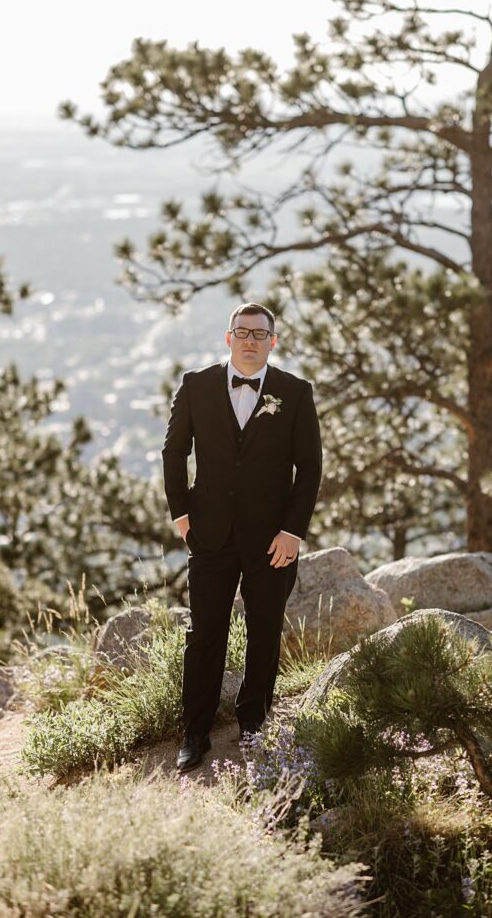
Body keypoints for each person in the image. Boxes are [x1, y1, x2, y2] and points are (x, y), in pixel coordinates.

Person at [162, 302, 323, 773]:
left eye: (260, 333)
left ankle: (254, 726)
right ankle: (195, 731)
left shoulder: (295, 392)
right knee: (205, 632)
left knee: (264, 630)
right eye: (243, 332)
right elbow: (174, 452)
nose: (251, 340)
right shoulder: (197, 385)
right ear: (227, 337)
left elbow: (309, 467)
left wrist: (293, 531)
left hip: (273, 538)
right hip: (208, 533)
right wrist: (182, 516)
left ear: (273, 341)